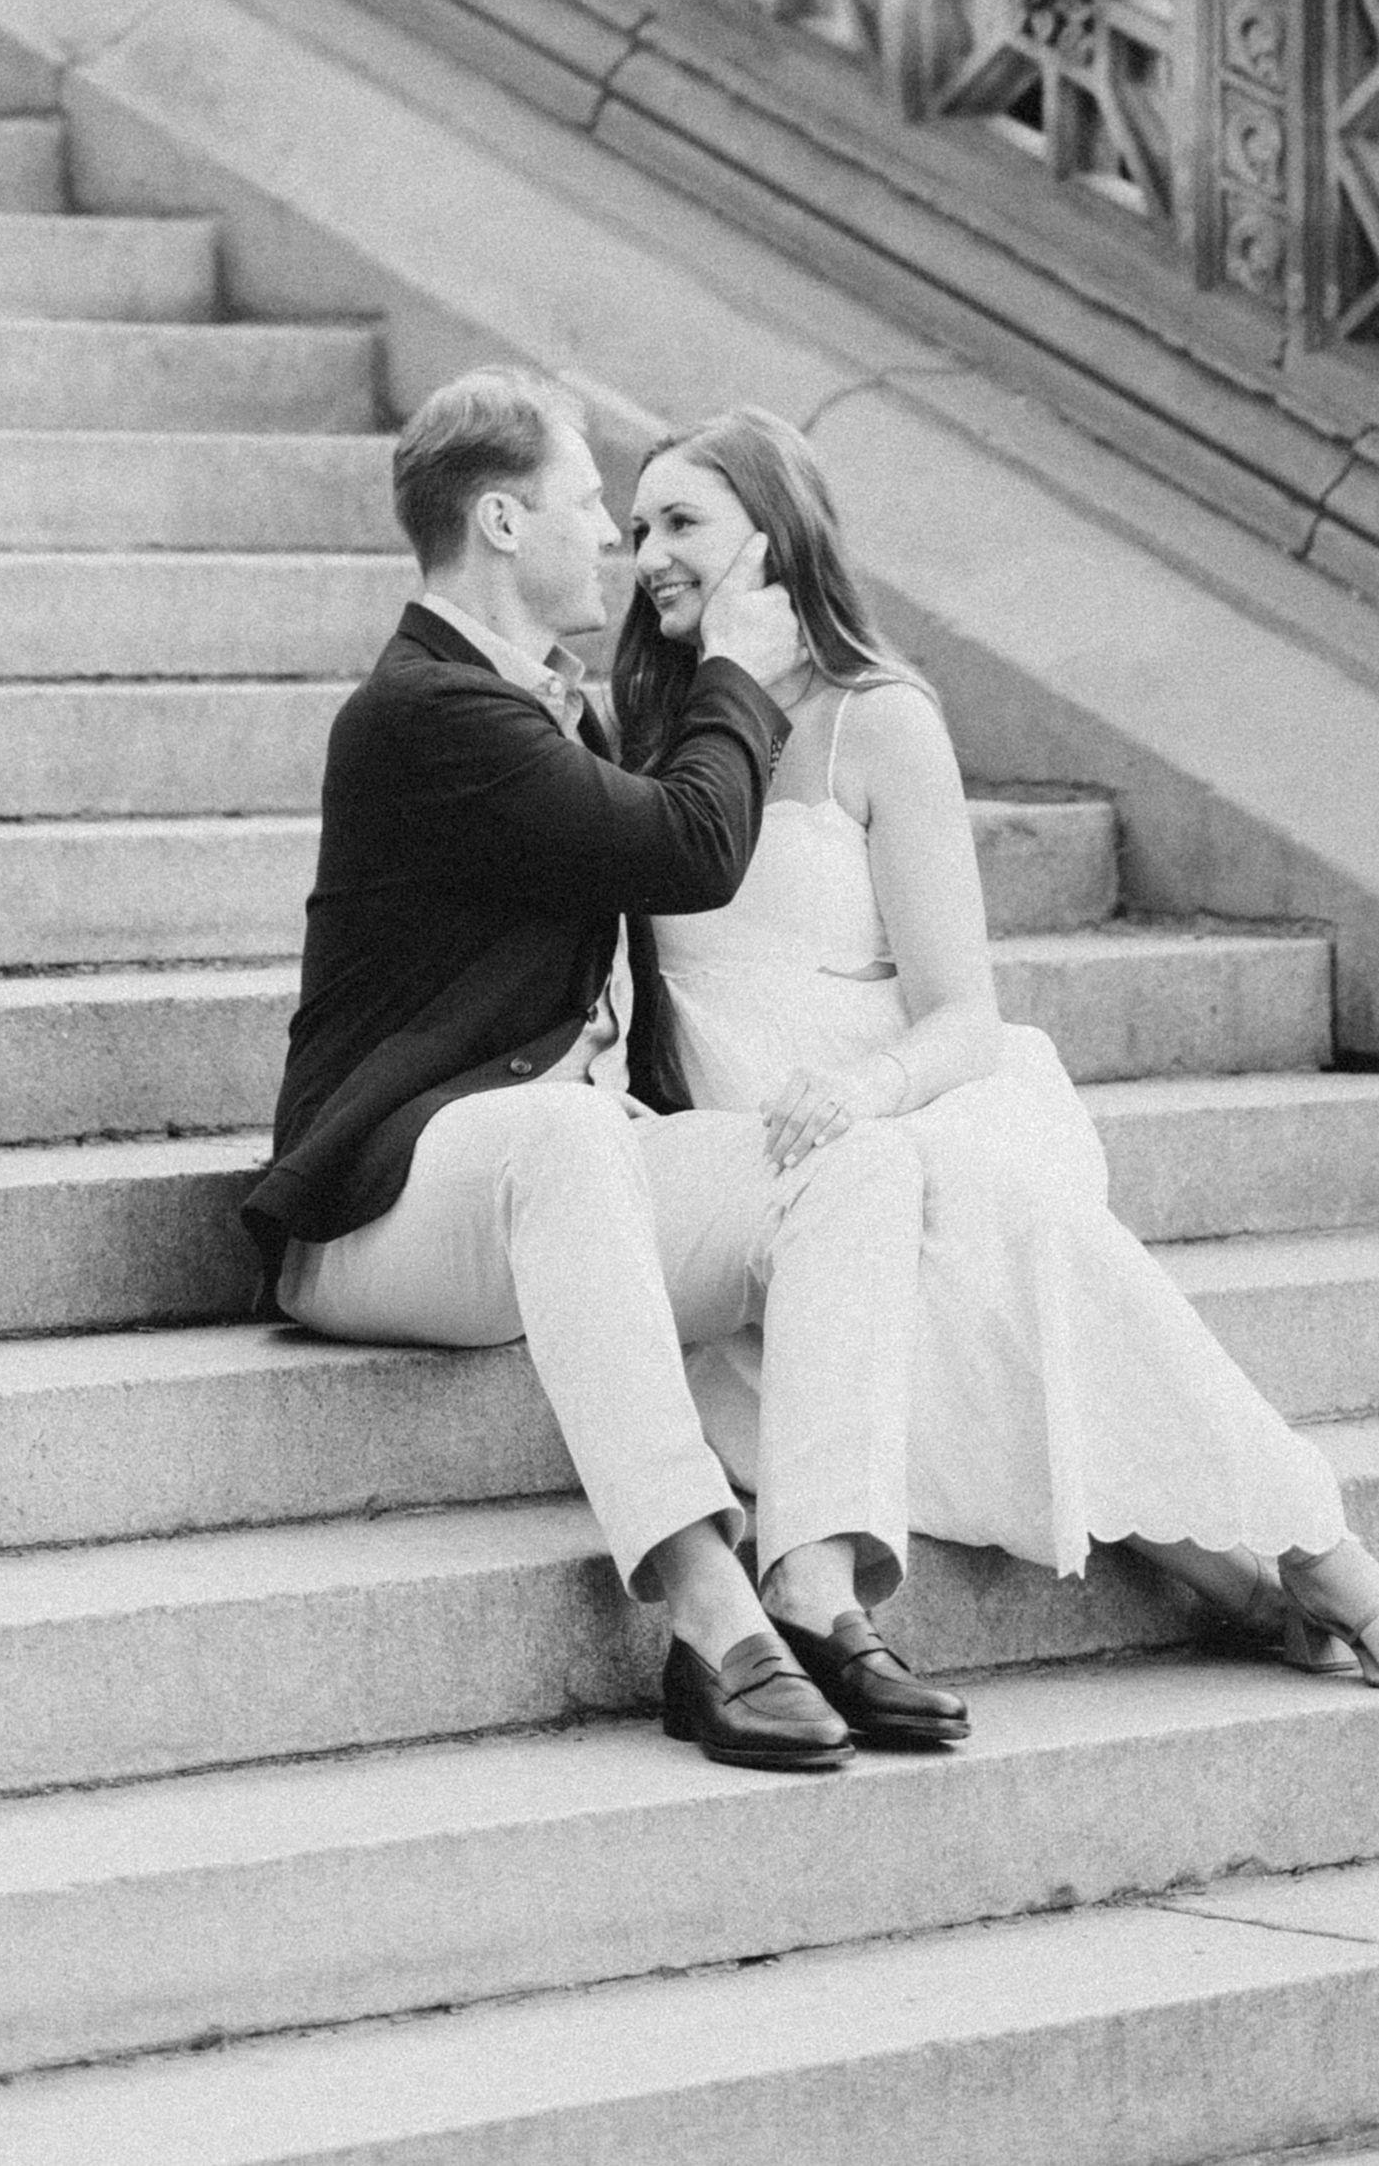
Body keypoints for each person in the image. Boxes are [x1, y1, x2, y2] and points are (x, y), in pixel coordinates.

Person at [616, 406, 1379, 1700]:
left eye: (682, 522)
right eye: (635, 528)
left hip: (885, 1099)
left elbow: (961, 1012)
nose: (646, 556)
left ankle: (1330, 1565)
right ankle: (1277, 1592)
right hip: (749, 1160)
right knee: (968, 1340)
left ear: (774, 539)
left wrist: (861, 1097)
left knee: (1014, 1232)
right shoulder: (649, 730)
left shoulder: (878, 721)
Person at [244, 369, 964, 1773]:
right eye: (589, 506)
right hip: (378, 1219)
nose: (616, 544)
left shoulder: (550, 708)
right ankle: (705, 1608)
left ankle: (814, 1585)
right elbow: (688, 849)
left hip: (543, 1190)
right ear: (503, 522)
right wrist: (739, 673)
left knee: (854, 1164)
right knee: (561, 1134)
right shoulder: (426, 708)